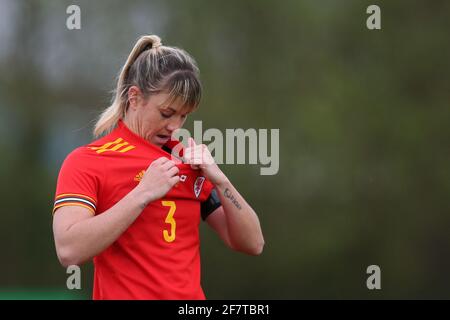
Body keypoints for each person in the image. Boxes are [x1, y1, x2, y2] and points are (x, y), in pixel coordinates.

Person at [52, 35, 264, 300]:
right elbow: (69, 250)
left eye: (183, 116)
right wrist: (142, 194)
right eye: (166, 113)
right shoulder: (88, 161)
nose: (175, 126)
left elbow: (252, 243)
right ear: (135, 97)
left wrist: (221, 181)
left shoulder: (188, 160)